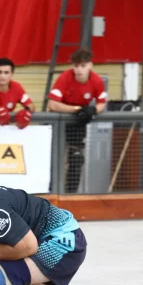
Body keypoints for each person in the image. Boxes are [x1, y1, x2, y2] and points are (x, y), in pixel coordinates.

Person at [47, 48, 107, 193]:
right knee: (53, 160)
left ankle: (71, 195)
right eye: (76, 65)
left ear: (90, 65)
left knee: (76, 160)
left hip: (78, 125)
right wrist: (76, 109)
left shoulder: (97, 81)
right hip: (59, 123)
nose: (79, 69)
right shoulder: (64, 78)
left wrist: (93, 110)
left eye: (83, 65)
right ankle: (49, 193)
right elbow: (52, 104)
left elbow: (102, 103)